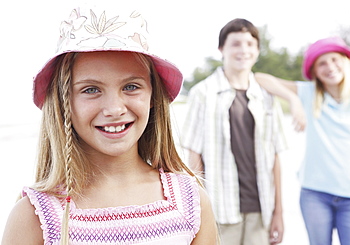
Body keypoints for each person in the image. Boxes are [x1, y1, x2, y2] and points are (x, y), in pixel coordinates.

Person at [1, 6, 218, 245]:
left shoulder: (190, 203)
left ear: (153, 96)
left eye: (131, 86)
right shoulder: (35, 216)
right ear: (63, 104)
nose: (114, 109)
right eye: (91, 90)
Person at [181, 18, 287, 245]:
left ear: (257, 51)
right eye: (236, 44)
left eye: (250, 44)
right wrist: (198, 209)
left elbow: (276, 157)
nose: (243, 50)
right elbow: (194, 158)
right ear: (222, 49)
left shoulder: (266, 95)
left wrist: (279, 211)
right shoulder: (203, 93)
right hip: (220, 209)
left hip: (261, 208)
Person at [255, 36, 350, 245]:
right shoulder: (308, 93)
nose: (330, 67)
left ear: (345, 61)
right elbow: (260, 78)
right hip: (315, 195)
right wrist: (293, 99)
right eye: (322, 63)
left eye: (335, 59)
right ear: (315, 71)